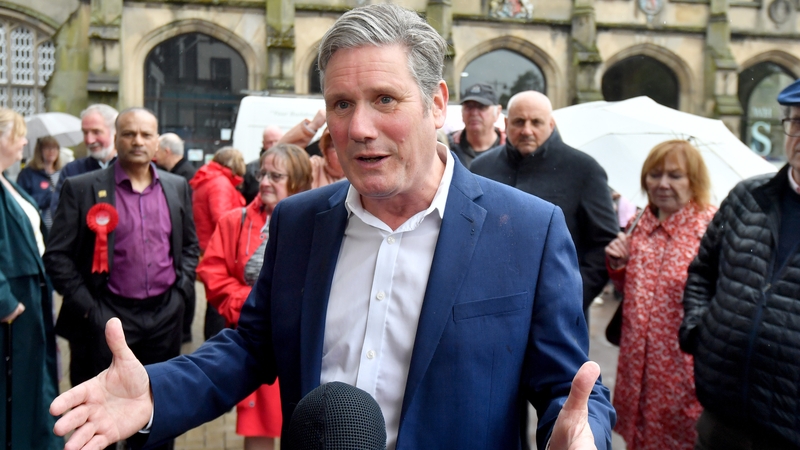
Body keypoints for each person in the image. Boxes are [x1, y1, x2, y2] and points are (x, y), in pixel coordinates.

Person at [50, 5, 615, 450]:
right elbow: (252, 346)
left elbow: (567, 385)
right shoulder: (300, 222)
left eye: (384, 99)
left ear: (436, 104)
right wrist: (155, 390)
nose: (360, 127)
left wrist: (580, 433)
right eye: (341, 104)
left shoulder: (528, 231)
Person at [43, 107, 199, 450]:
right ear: (116, 139)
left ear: (157, 141)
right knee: (101, 422)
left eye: (146, 134)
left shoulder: (176, 187)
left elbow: (190, 246)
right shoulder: (81, 188)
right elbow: (57, 257)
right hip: (105, 318)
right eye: (129, 134)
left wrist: (181, 293)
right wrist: (91, 310)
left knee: (158, 417)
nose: (138, 141)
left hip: (164, 318)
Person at [678, 80, 800, 449]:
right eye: (796, 122)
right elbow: (702, 270)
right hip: (721, 419)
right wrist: (700, 328)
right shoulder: (749, 196)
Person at [198, 143, 312, 450]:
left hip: (304, 346)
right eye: (262, 173)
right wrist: (253, 307)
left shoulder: (319, 223)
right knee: (259, 428)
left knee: (308, 428)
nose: (264, 182)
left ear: (298, 181)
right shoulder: (234, 221)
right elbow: (212, 273)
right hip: (258, 343)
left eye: (276, 176)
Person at [604, 140, 716, 450]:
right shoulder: (639, 223)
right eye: (654, 175)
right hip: (637, 366)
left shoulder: (711, 228)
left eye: (675, 176)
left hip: (682, 375)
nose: (662, 184)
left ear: (694, 180)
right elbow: (635, 290)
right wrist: (618, 264)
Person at [470, 90, 620, 316]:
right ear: (507, 123)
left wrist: (573, 298)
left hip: (561, 313)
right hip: (490, 308)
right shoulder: (481, 168)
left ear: (551, 124)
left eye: (536, 122)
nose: (527, 130)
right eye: (519, 122)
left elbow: (603, 243)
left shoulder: (584, 169)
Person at [0, 108, 62, 449]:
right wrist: (5, 304)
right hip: (12, 314)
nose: (25, 141)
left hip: (29, 302)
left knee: (34, 388)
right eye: (19, 134)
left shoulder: (6, 179)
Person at [189, 146, 246, 339]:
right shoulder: (220, 183)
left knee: (213, 301)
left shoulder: (209, 178)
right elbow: (222, 217)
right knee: (218, 303)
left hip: (206, 243)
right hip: (219, 247)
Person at [155, 132, 197, 343]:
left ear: (167, 151)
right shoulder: (179, 172)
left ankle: (185, 331)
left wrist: (180, 292)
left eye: (158, 150)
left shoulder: (184, 177)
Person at [49, 104, 119, 218]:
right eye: (85, 132)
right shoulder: (72, 170)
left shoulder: (129, 169)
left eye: (96, 132)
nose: (89, 140)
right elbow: (59, 212)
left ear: (114, 132)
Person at [448, 82, 505, 168]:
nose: (474, 113)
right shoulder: (448, 147)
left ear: (497, 112)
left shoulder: (510, 150)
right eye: (469, 107)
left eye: (482, 107)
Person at [16, 135, 62, 230]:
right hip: (38, 226)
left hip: (59, 227)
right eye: (47, 148)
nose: (51, 151)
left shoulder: (62, 173)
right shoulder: (27, 174)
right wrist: (50, 196)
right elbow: (21, 201)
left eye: (54, 148)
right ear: (39, 151)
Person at [241, 126, 284, 203]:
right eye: (269, 142)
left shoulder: (292, 166)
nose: (273, 145)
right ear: (263, 143)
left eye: (276, 141)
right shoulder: (250, 168)